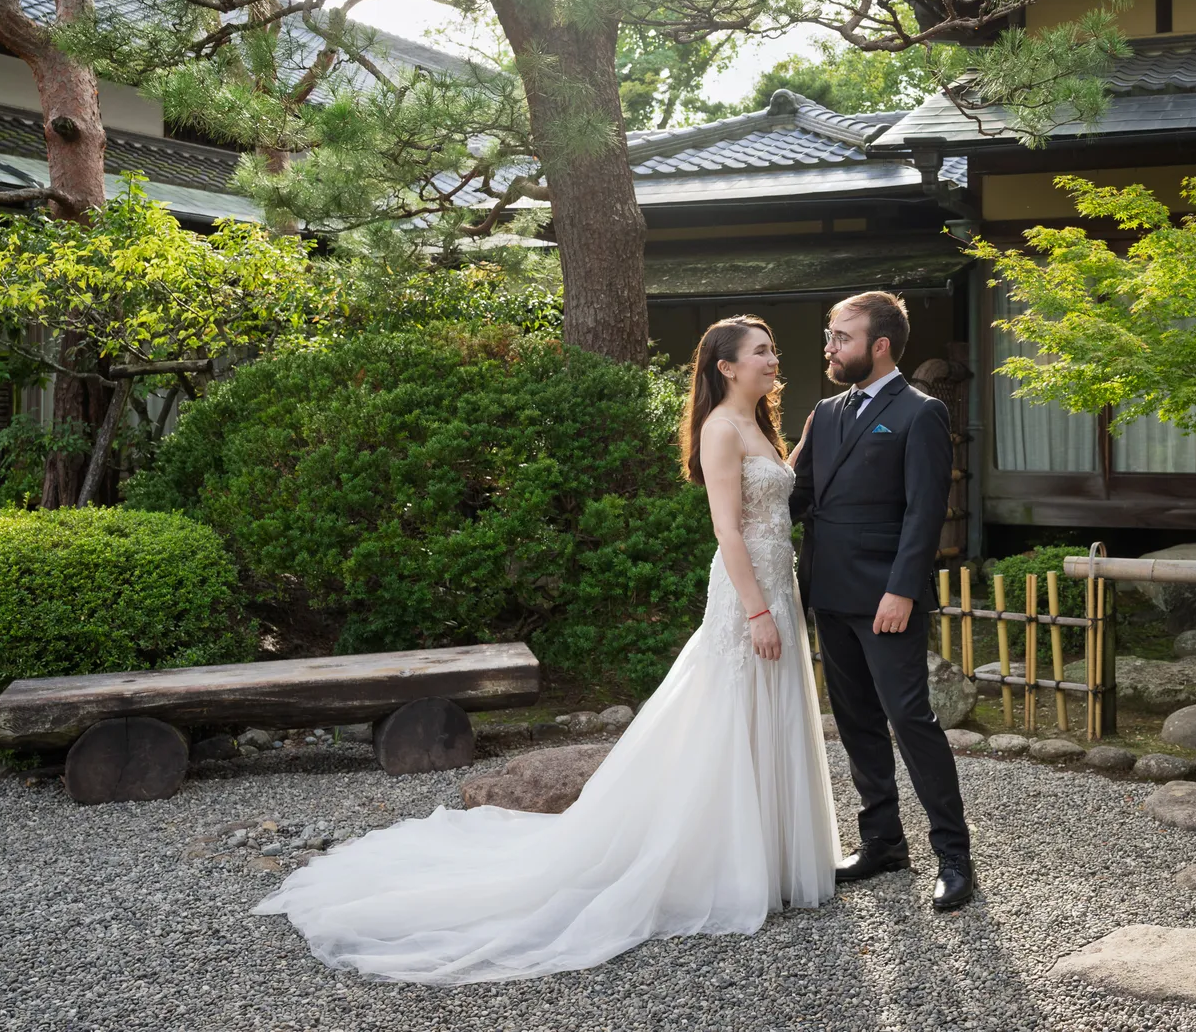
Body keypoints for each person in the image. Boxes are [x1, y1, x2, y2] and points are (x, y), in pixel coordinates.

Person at [251, 316, 838, 984]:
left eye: (771, 348)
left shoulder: (763, 425)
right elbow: (728, 529)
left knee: (769, 717)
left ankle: (772, 858)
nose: (773, 358)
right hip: (749, 595)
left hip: (779, 587)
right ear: (726, 367)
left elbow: (773, 499)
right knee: (729, 719)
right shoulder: (720, 429)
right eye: (761, 350)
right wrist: (758, 611)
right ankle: (723, 866)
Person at [790, 291, 976, 911]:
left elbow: (927, 512)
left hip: (886, 594)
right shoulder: (825, 411)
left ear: (880, 346)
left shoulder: (920, 412)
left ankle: (954, 855)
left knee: (910, 719)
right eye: (829, 335)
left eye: (841, 337)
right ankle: (882, 842)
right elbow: (800, 496)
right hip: (830, 591)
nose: (829, 346)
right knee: (856, 723)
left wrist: (901, 590)